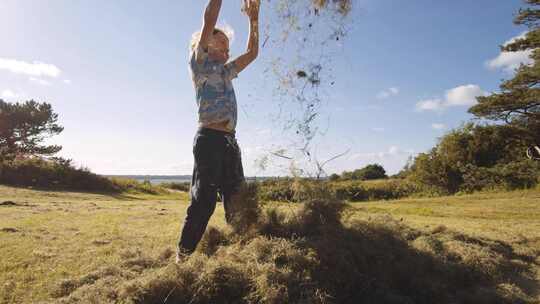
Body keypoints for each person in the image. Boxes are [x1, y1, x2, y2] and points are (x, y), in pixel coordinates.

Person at [177, 0, 260, 262]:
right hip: (209, 139)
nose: (227, 51)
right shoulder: (199, 65)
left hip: (229, 142)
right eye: (222, 45)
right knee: (204, 201)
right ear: (205, 45)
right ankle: (183, 256)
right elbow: (209, 19)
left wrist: (253, 19)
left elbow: (252, 53)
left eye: (228, 48)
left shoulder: (226, 72)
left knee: (237, 198)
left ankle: (243, 252)